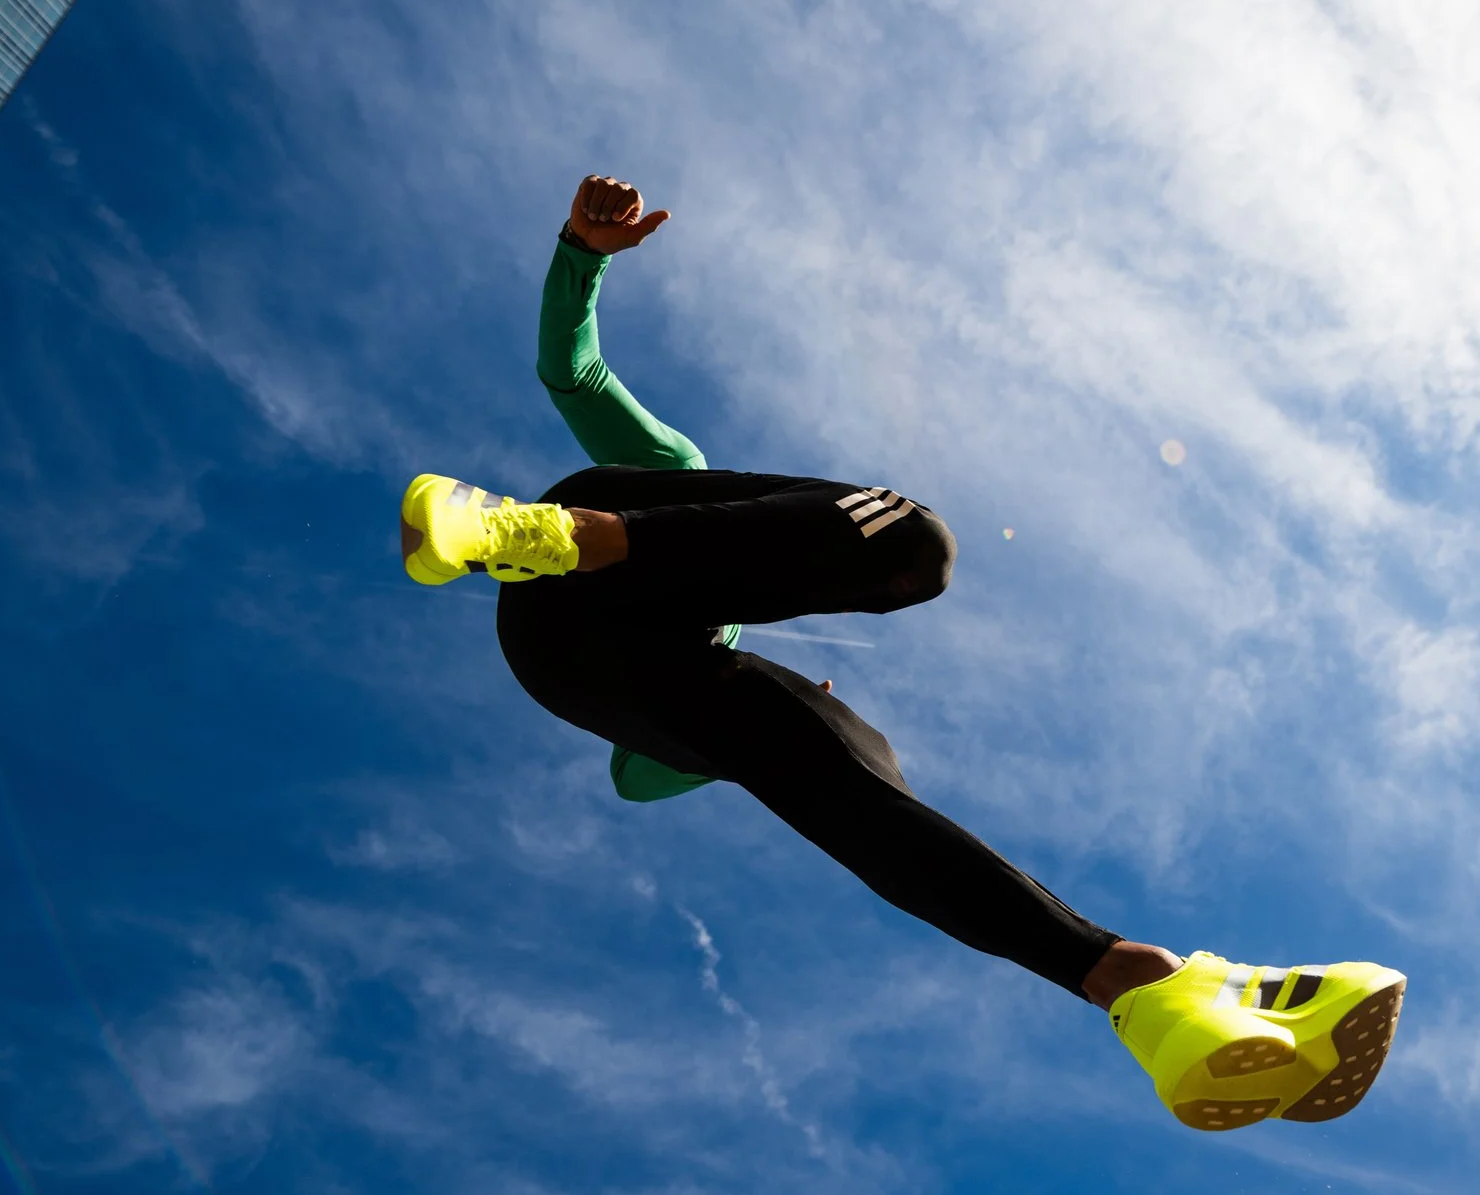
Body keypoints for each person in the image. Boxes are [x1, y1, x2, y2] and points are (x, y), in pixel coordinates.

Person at [398, 174, 1404, 1132]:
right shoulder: (667, 473)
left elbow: (633, 775)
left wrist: (759, 723)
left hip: (563, 665)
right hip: (566, 560)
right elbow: (570, 373)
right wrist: (581, 255)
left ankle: (1144, 989)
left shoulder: (701, 658)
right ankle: (548, 534)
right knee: (913, 543)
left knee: (851, 763)